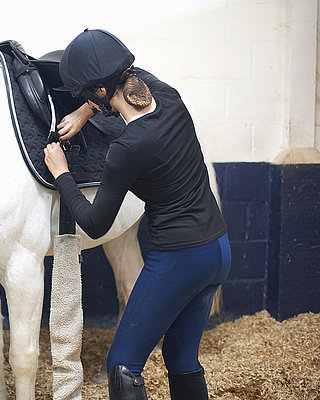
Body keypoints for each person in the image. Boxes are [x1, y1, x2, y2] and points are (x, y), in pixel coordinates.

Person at [43, 29, 231, 400]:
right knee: (180, 356)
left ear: (99, 90)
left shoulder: (128, 147)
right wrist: (86, 109)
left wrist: (62, 173)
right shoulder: (168, 95)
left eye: (87, 94)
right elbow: (129, 77)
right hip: (217, 251)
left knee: (123, 365)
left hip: (178, 258)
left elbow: (95, 222)